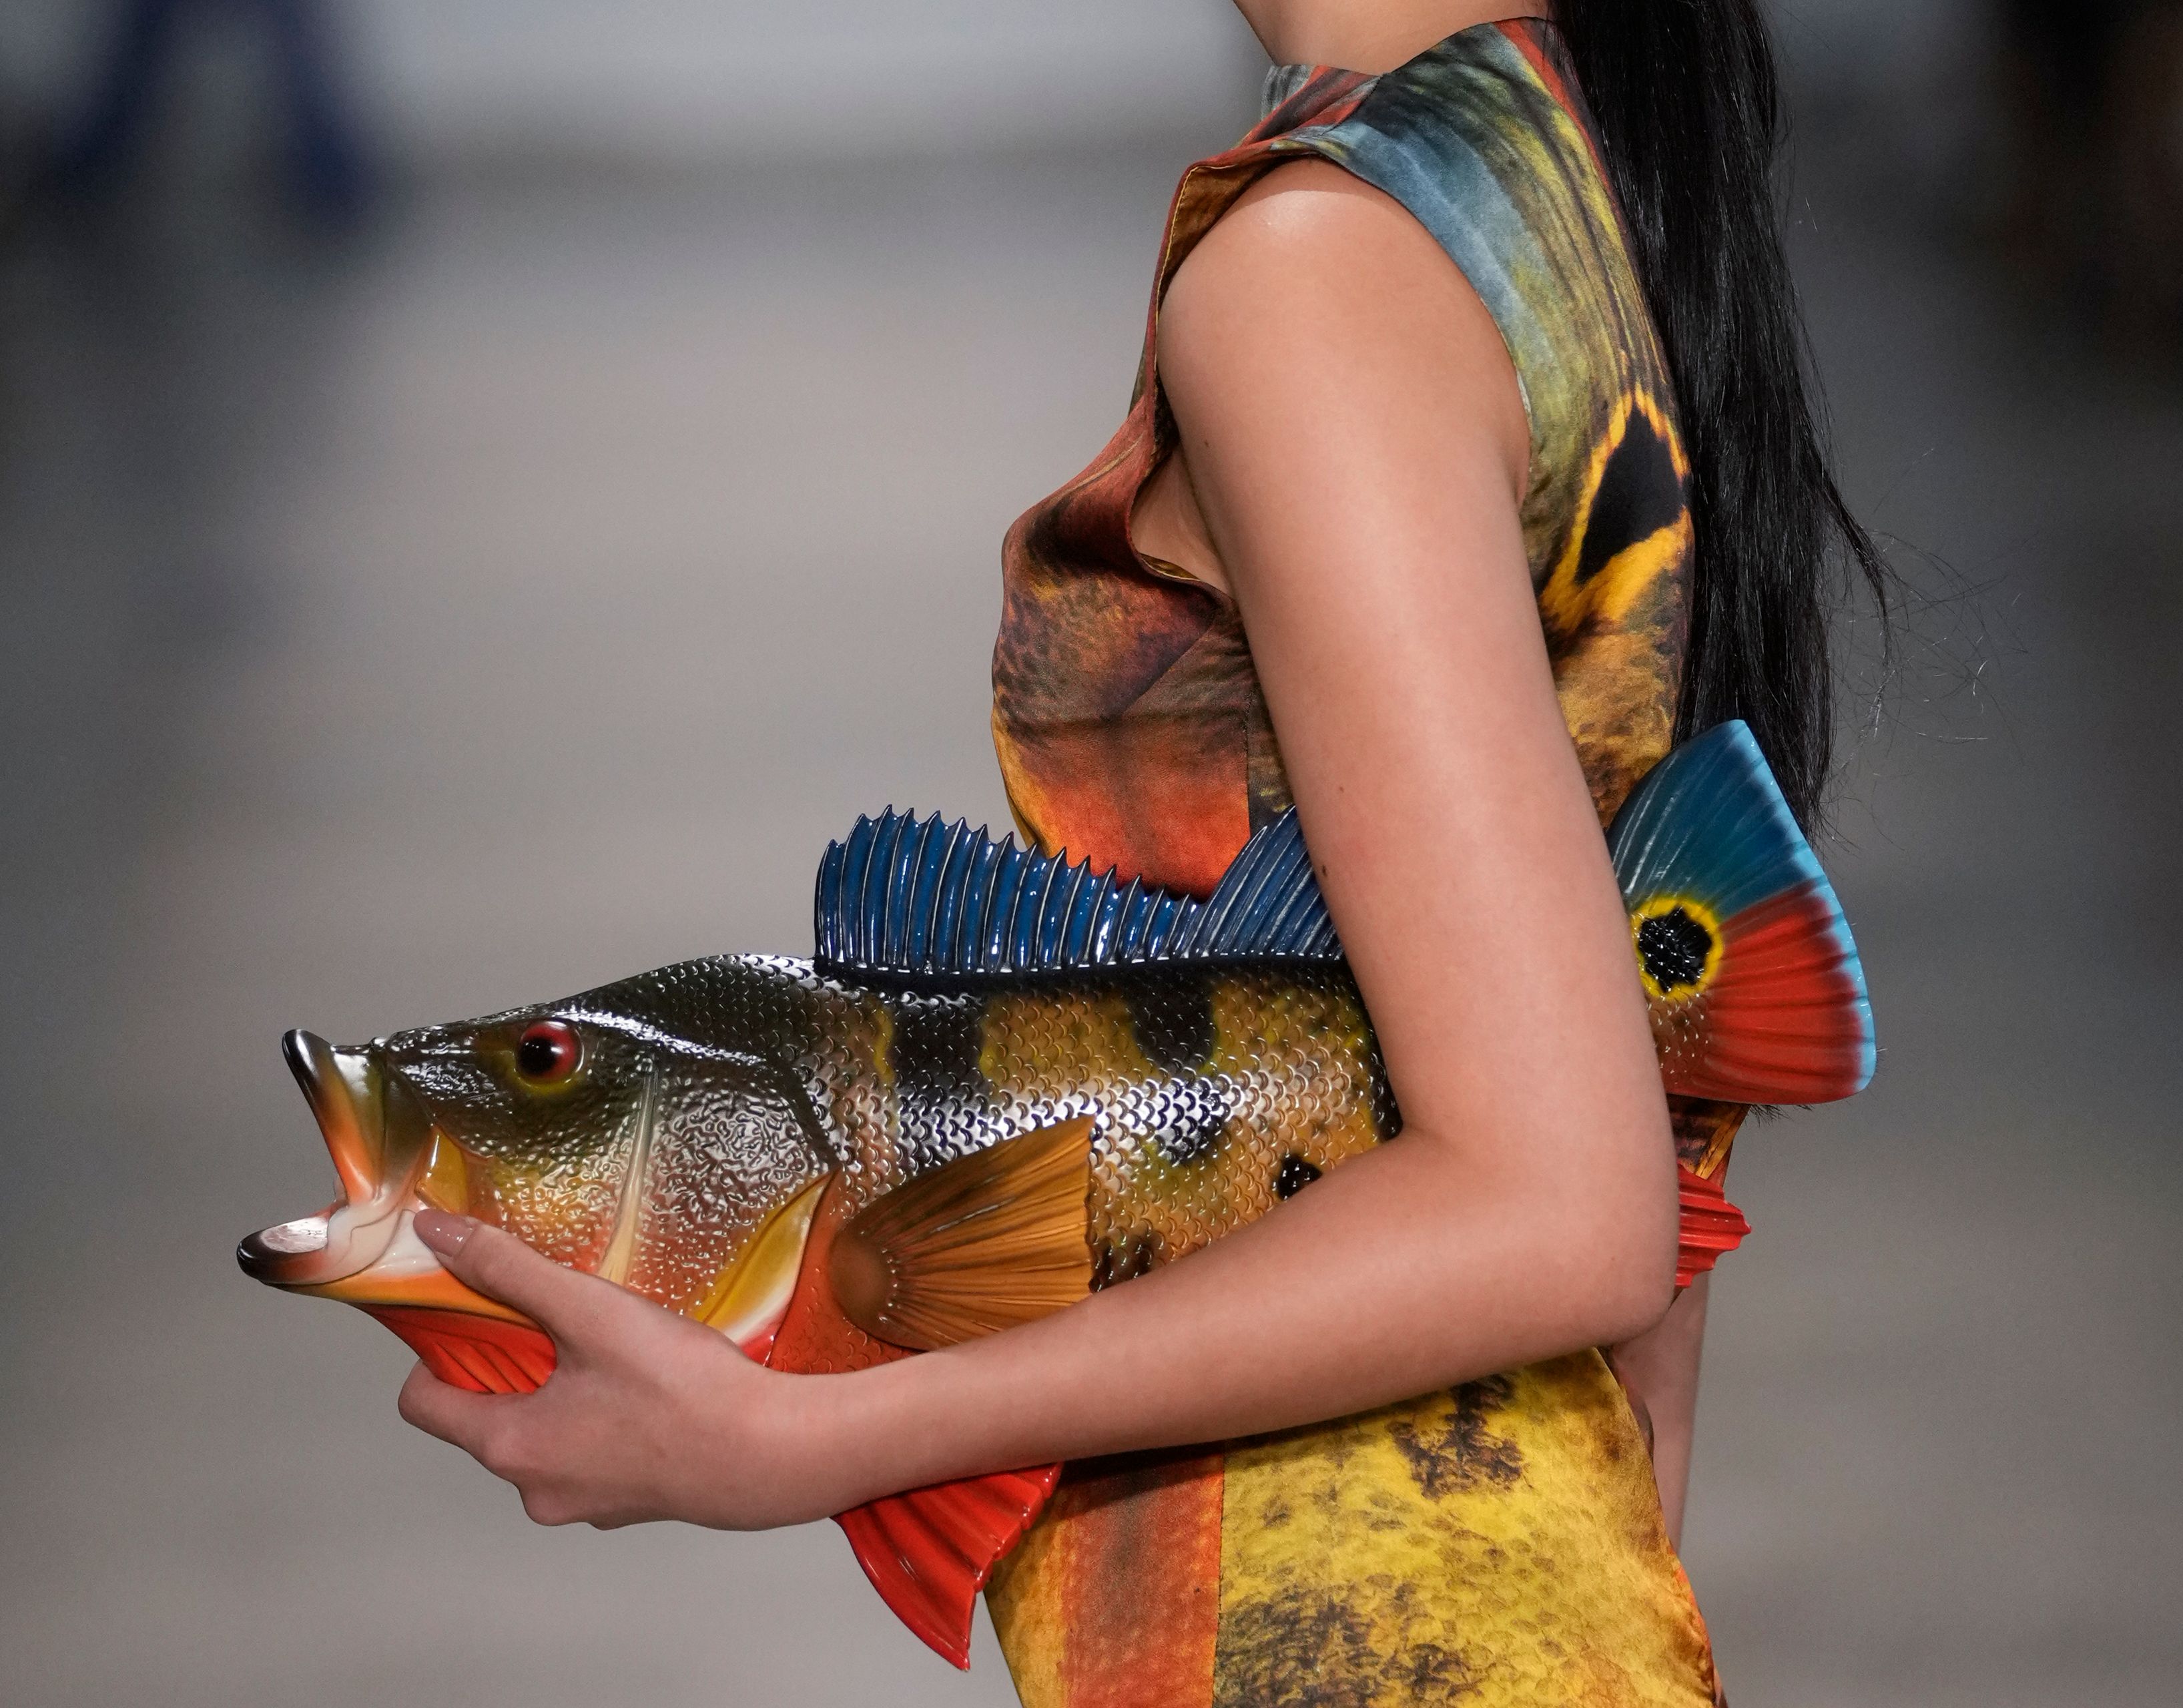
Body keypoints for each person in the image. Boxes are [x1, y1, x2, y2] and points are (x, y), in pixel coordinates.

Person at [393, 4, 1881, 1702]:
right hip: (1487, 1594)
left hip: (1321, 1623)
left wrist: (811, 1432)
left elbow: (1562, 1199)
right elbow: (1633, 1128)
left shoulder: (1322, 276)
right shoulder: (1547, 164)